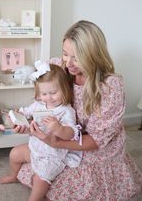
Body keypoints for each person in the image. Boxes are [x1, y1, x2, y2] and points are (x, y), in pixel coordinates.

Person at [16, 20, 142, 200]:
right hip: (63, 136)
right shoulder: (60, 69)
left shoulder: (110, 87)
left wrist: (56, 143)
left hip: (91, 148)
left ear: (93, 56)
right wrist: (27, 123)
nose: (68, 63)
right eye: (65, 54)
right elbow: (44, 101)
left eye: (77, 57)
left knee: (50, 178)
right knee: (28, 160)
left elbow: (96, 141)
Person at [0, 61, 82, 201]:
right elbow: (26, 111)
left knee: (40, 179)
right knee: (14, 154)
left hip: (52, 155)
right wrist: (18, 115)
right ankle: (15, 176)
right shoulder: (39, 104)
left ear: (65, 89)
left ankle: (34, 198)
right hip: (35, 147)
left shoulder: (66, 111)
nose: (49, 97)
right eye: (44, 93)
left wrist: (59, 128)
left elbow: (71, 134)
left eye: (53, 93)